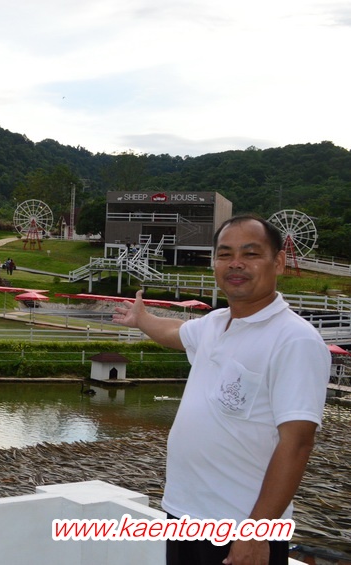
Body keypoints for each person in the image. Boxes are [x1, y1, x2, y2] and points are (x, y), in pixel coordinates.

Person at [112, 215, 329, 565]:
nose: (235, 263)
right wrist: (142, 319)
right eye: (225, 254)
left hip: (239, 528)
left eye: (250, 254)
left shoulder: (295, 340)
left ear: (278, 262)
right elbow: (175, 333)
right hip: (184, 516)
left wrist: (256, 533)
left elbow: (298, 443)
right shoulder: (215, 323)